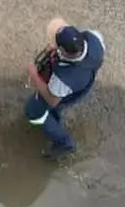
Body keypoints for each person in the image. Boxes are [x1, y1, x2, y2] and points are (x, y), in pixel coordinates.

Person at [24, 23, 105, 159]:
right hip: (85, 80)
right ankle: (54, 118)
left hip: (69, 89)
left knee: (34, 112)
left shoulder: (62, 79)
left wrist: (34, 76)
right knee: (55, 108)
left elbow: (52, 100)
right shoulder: (94, 38)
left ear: (64, 51)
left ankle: (64, 142)